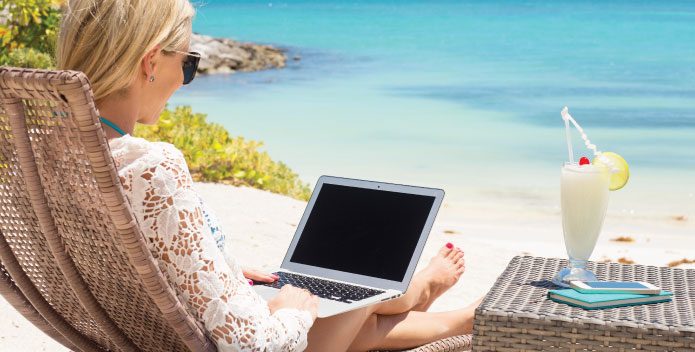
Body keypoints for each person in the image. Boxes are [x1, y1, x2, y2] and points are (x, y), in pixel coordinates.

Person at [56, 0, 480, 351]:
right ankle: (438, 305)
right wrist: (292, 310)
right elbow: (253, 346)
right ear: (150, 62)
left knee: (348, 295)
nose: (185, 81)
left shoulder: (54, 156)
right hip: (225, 340)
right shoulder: (149, 166)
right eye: (188, 64)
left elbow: (136, 263)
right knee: (354, 296)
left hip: (149, 329)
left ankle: (427, 298)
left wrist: (221, 271)